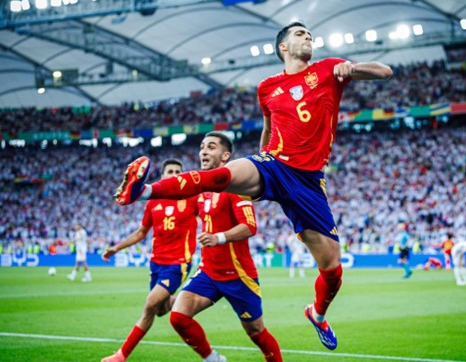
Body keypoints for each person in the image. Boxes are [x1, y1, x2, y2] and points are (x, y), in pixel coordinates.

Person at [114, 21, 392, 350]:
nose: (309, 38)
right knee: (221, 177)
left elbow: (384, 71)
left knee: (332, 269)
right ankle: (142, 190)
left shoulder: (329, 69)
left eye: (310, 35)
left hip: (308, 180)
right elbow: (269, 127)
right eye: (301, 35)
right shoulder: (267, 88)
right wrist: (259, 162)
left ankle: (317, 314)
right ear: (284, 47)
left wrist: (354, 68)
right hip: (275, 163)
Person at [169, 132, 282, 362]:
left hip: (238, 275)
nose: (203, 151)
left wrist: (218, 237)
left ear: (225, 156)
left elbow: (250, 226)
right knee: (178, 317)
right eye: (202, 147)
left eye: (211, 147)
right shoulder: (202, 187)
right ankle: (214, 359)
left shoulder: (236, 186)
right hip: (209, 271)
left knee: (256, 333)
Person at [101, 159, 199, 362]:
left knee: (149, 306)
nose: (173, 174)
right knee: (161, 309)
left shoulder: (191, 198)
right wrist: (116, 248)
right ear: (162, 176)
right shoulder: (153, 202)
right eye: (169, 171)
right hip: (156, 263)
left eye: (177, 172)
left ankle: (121, 355)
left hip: (178, 263)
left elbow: (211, 214)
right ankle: (186, 300)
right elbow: (141, 233)